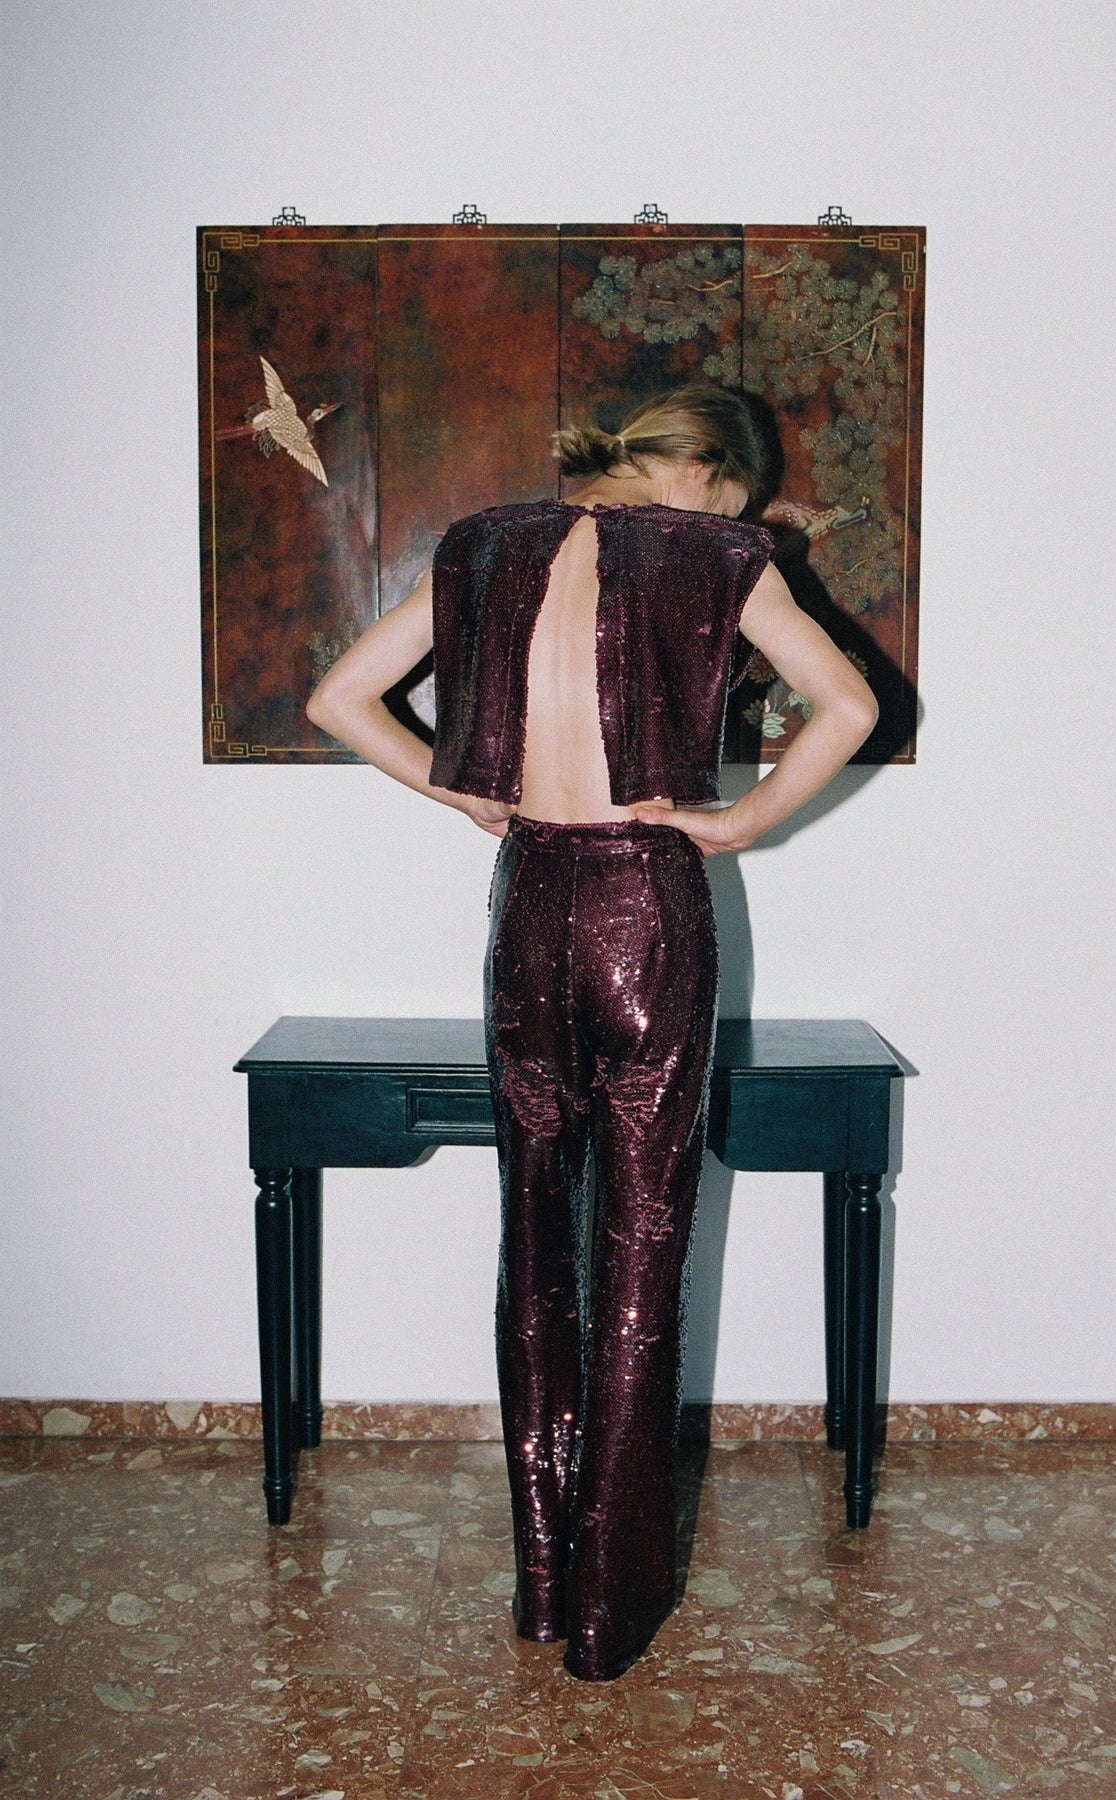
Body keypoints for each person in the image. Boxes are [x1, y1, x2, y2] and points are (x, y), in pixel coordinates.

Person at [306, 385, 878, 1680]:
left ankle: (545, 1585)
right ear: (711, 476)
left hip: (529, 907)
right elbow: (848, 708)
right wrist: (736, 825)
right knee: (640, 1246)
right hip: (646, 908)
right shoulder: (718, 555)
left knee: (535, 1237)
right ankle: (613, 1613)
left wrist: (464, 792)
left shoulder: (483, 546)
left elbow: (340, 697)